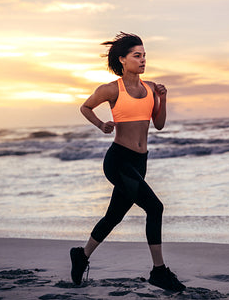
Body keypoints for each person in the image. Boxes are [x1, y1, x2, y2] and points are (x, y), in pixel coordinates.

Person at [70, 32, 185, 292]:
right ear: (122, 59)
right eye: (137, 55)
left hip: (140, 161)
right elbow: (85, 107)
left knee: (114, 216)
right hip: (118, 161)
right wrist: (101, 124)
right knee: (155, 208)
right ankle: (159, 271)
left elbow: (159, 124)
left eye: (144, 55)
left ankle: (82, 255)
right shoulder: (111, 89)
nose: (143, 60)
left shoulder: (152, 88)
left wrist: (163, 99)